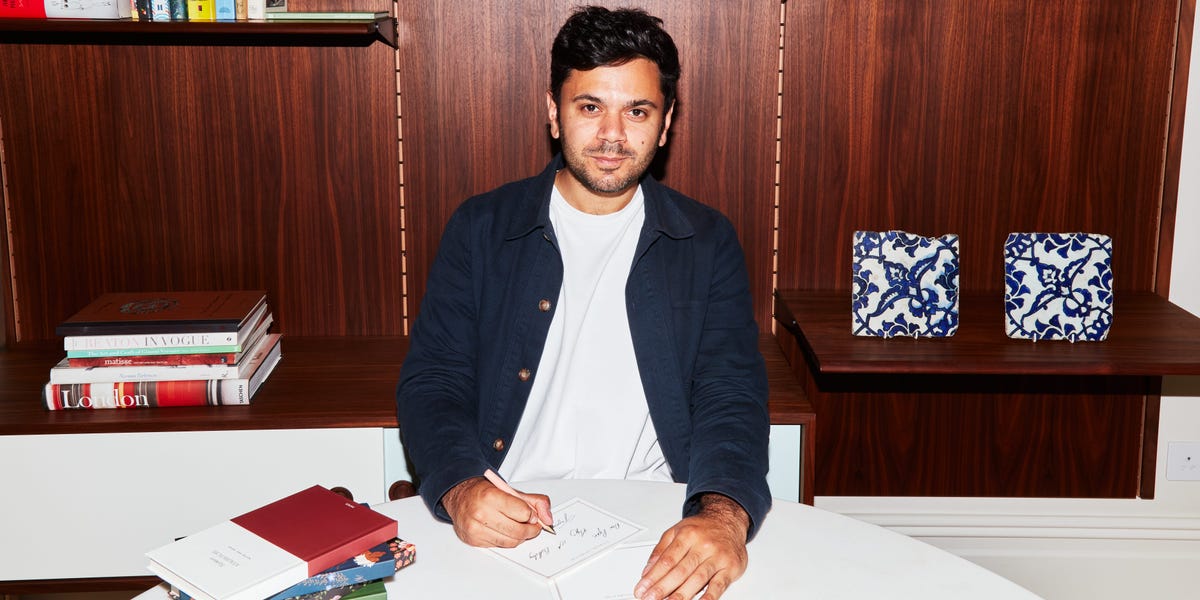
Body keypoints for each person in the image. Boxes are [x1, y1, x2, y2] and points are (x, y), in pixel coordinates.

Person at [396, 6, 770, 600]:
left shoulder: (706, 240)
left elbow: (732, 395)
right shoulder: (482, 227)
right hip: (508, 518)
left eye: (637, 111)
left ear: (666, 123)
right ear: (554, 112)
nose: (613, 136)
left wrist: (723, 516)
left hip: (658, 523)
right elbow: (433, 382)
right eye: (590, 107)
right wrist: (461, 488)